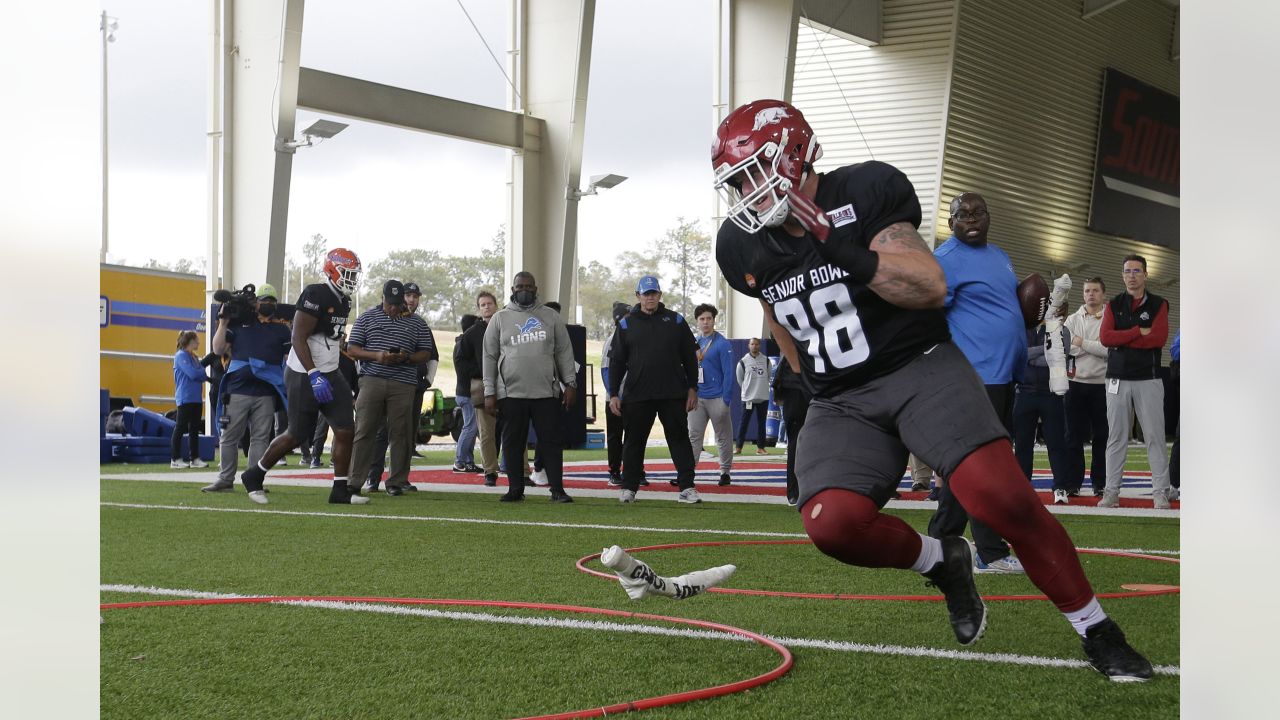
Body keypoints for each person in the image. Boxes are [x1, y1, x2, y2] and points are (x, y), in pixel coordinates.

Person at [711, 99, 1151, 680]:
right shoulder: (738, 244)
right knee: (830, 521)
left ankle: (1096, 628)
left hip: (917, 366)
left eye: (751, 172)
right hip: (843, 398)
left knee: (1001, 497)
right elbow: (777, 315)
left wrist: (831, 239)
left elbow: (929, 285)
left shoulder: (866, 190)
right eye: (735, 180)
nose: (744, 190)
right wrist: (813, 382)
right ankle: (942, 561)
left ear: (794, 154)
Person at [927, 192, 1025, 574]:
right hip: (973, 376)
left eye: (977, 213)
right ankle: (990, 551)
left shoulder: (1000, 256)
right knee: (982, 464)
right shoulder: (944, 261)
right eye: (962, 214)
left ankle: (941, 541)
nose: (971, 219)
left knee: (969, 464)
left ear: (989, 217)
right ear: (950, 222)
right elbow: (929, 317)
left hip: (1002, 375)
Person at [240, 247, 366, 505]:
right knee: (296, 434)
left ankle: (340, 490)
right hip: (304, 373)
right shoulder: (315, 294)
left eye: (354, 274)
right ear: (332, 270)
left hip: (330, 371)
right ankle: (254, 475)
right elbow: (298, 337)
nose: (351, 279)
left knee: (345, 429)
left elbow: (330, 337)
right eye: (347, 273)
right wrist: (313, 374)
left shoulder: (344, 300)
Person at [482, 271, 577, 503]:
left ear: (536, 289)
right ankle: (516, 489)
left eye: (528, 286)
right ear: (513, 290)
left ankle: (557, 489)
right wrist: (489, 391)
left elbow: (564, 352)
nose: (524, 290)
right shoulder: (500, 318)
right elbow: (489, 357)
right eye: (519, 286)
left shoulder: (550, 317)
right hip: (512, 393)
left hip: (546, 391)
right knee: (513, 442)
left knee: (551, 443)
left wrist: (570, 383)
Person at [608, 275, 701, 504]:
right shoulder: (626, 324)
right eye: (646, 294)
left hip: (672, 393)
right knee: (633, 442)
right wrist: (613, 394)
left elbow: (690, 357)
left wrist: (692, 388)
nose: (650, 298)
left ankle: (687, 487)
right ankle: (629, 488)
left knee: (679, 440)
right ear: (638, 296)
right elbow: (617, 362)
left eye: (654, 293)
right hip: (637, 395)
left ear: (660, 295)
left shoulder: (677, 321)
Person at [347, 280, 435, 497]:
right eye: (390, 303)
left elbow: (426, 352)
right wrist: (377, 355)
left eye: (398, 303)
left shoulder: (417, 323)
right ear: (382, 298)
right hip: (371, 380)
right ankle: (355, 480)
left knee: (401, 433)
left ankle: (396, 481)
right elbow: (352, 348)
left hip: (403, 383)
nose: (394, 308)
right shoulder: (367, 318)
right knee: (364, 430)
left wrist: (408, 358)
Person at [1098, 255, 1172, 510]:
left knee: (1155, 437)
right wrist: (1137, 332)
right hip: (1117, 378)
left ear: (1145, 275)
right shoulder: (1113, 305)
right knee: (1116, 438)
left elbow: (1158, 339)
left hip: (1148, 379)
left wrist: (1123, 338)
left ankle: (1160, 492)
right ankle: (1111, 493)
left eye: (1137, 271)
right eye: (1127, 271)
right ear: (1122, 275)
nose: (1132, 275)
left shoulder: (1160, 304)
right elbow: (1106, 337)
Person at [202, 283, 291, 492]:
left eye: (271, 301)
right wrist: (223, 322)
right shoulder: (239, 323)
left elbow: (289, 359)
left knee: (260, 438)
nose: (267, 304)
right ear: (255, 302)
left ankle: (254, 479)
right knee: (229, 436)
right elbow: (217, 348)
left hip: (266, 392)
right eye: (263, 300)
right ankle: (225, 479)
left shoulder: (281, 330)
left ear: (275, 304)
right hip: (237, 389)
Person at [1012, 306, 1074, 504]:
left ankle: (1060, 487)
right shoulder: (1021, 328)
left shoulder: (1061, 330)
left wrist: (1034, 355)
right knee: (1022, 444)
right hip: (1024, 392)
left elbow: (1058, 358)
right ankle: (1022, 488)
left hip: (1051, 393)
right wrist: (1046, 349)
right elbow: (1019, 355)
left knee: (1056, 443)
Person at [1064, 277, 1110, 496]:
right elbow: (1066, 348)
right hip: (1075, 384)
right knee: (1073, 436)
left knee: (1102, 436)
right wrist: (1094, 346)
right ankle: (1073, 483)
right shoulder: (1072, 319)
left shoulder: (1111, 319)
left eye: (1095, 291)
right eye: (1087, 291)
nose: (1090, 294)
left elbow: (1109, 350)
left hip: (1102, 385)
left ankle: (1099, 483)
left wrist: (1081, 342)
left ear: (1103, 294)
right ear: (1083, 294)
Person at [686, 303, 737, 486]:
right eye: (702, 319)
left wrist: (726, 399)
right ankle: (688, 473)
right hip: (698, 398)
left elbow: (729, 373)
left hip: (717, 397)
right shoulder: (694, 343)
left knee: (723, 436)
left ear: (714, 321)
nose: (705, 322)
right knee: (693, 436)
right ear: (697, 322)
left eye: (709, 319)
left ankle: (725, 472)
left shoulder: (722, 344)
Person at [460, 291, 501, 486]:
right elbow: (461, 359)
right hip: (482, 386)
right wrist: (479, 371)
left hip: (508, 384)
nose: (486, 307)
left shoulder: (506, 327)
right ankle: (490, 471)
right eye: (483, 304)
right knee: (486, 432)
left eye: (489, 303)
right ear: (479, 308)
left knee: (515, 428)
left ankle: (522, 470)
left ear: (496, 305)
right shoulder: (472, 333)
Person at [771, 357, 811, 506]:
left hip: (801, 390)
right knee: (796, 444)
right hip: (801, 391)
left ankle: (796, 492)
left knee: (798, 444)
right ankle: (795, 491)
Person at [601, 302, 630, 486]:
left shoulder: (635, 337)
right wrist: (614, 395)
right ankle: (614, 471)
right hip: (615, 399)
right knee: (615, 437)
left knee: (634, 437)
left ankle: (635, 470)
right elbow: (605, 369)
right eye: (628, 317)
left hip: (634, 397)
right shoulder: (612, 340)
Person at [170, 330, 208, 468]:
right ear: (190, 342)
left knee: (194, 429)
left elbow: (203, 375)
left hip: (196, 398)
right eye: (196, 340)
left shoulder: (193, 357)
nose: (198, 342)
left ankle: (195, 458)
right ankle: (175, 459)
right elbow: (193, 374)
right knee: (180, 427)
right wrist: (200, 372)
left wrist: (200, 373)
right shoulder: (180, 356)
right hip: (185, 397)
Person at [452, 313, 482, 473]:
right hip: (467, 392)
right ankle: (459, 460)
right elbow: (465, 370)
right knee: (470, 427)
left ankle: (468, 461)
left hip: (464, 391)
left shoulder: (460, 344)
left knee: (470, 426)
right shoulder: (464, 345)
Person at [735, 338, 772, 456]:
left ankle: (761, 448)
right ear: (748, 346)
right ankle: (738, 447)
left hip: (763, 397)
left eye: (756, 344)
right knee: (744, 423)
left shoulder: (766, 360)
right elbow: (740, 379)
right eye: (752, 344)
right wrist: (747, 389)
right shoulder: (743, 361)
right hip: (748, 399)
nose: (754, 346)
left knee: (762, 423)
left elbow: (769, 376)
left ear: (759, 346)